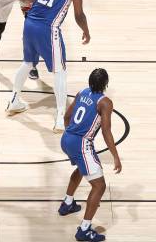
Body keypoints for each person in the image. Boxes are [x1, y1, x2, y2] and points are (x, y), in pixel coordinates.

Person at [7, 0, 90, 132]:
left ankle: (14, 101)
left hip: (29, 24)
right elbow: (79, 15)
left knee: (27, 63)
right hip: (48, 30)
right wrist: (86, 31)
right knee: (59, 71)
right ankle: (60, 118)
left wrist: (32, 6)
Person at [59, 68, 121, 242]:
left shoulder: (82, 92)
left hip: (66, 138)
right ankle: (84, 229)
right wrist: (115, 156)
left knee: (81, 169)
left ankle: (67, 203)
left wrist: (70, 136)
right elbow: (106, 132)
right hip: (81, 144)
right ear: (106, 84)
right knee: (99, 186)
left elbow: (67, 116)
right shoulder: (105, 102)